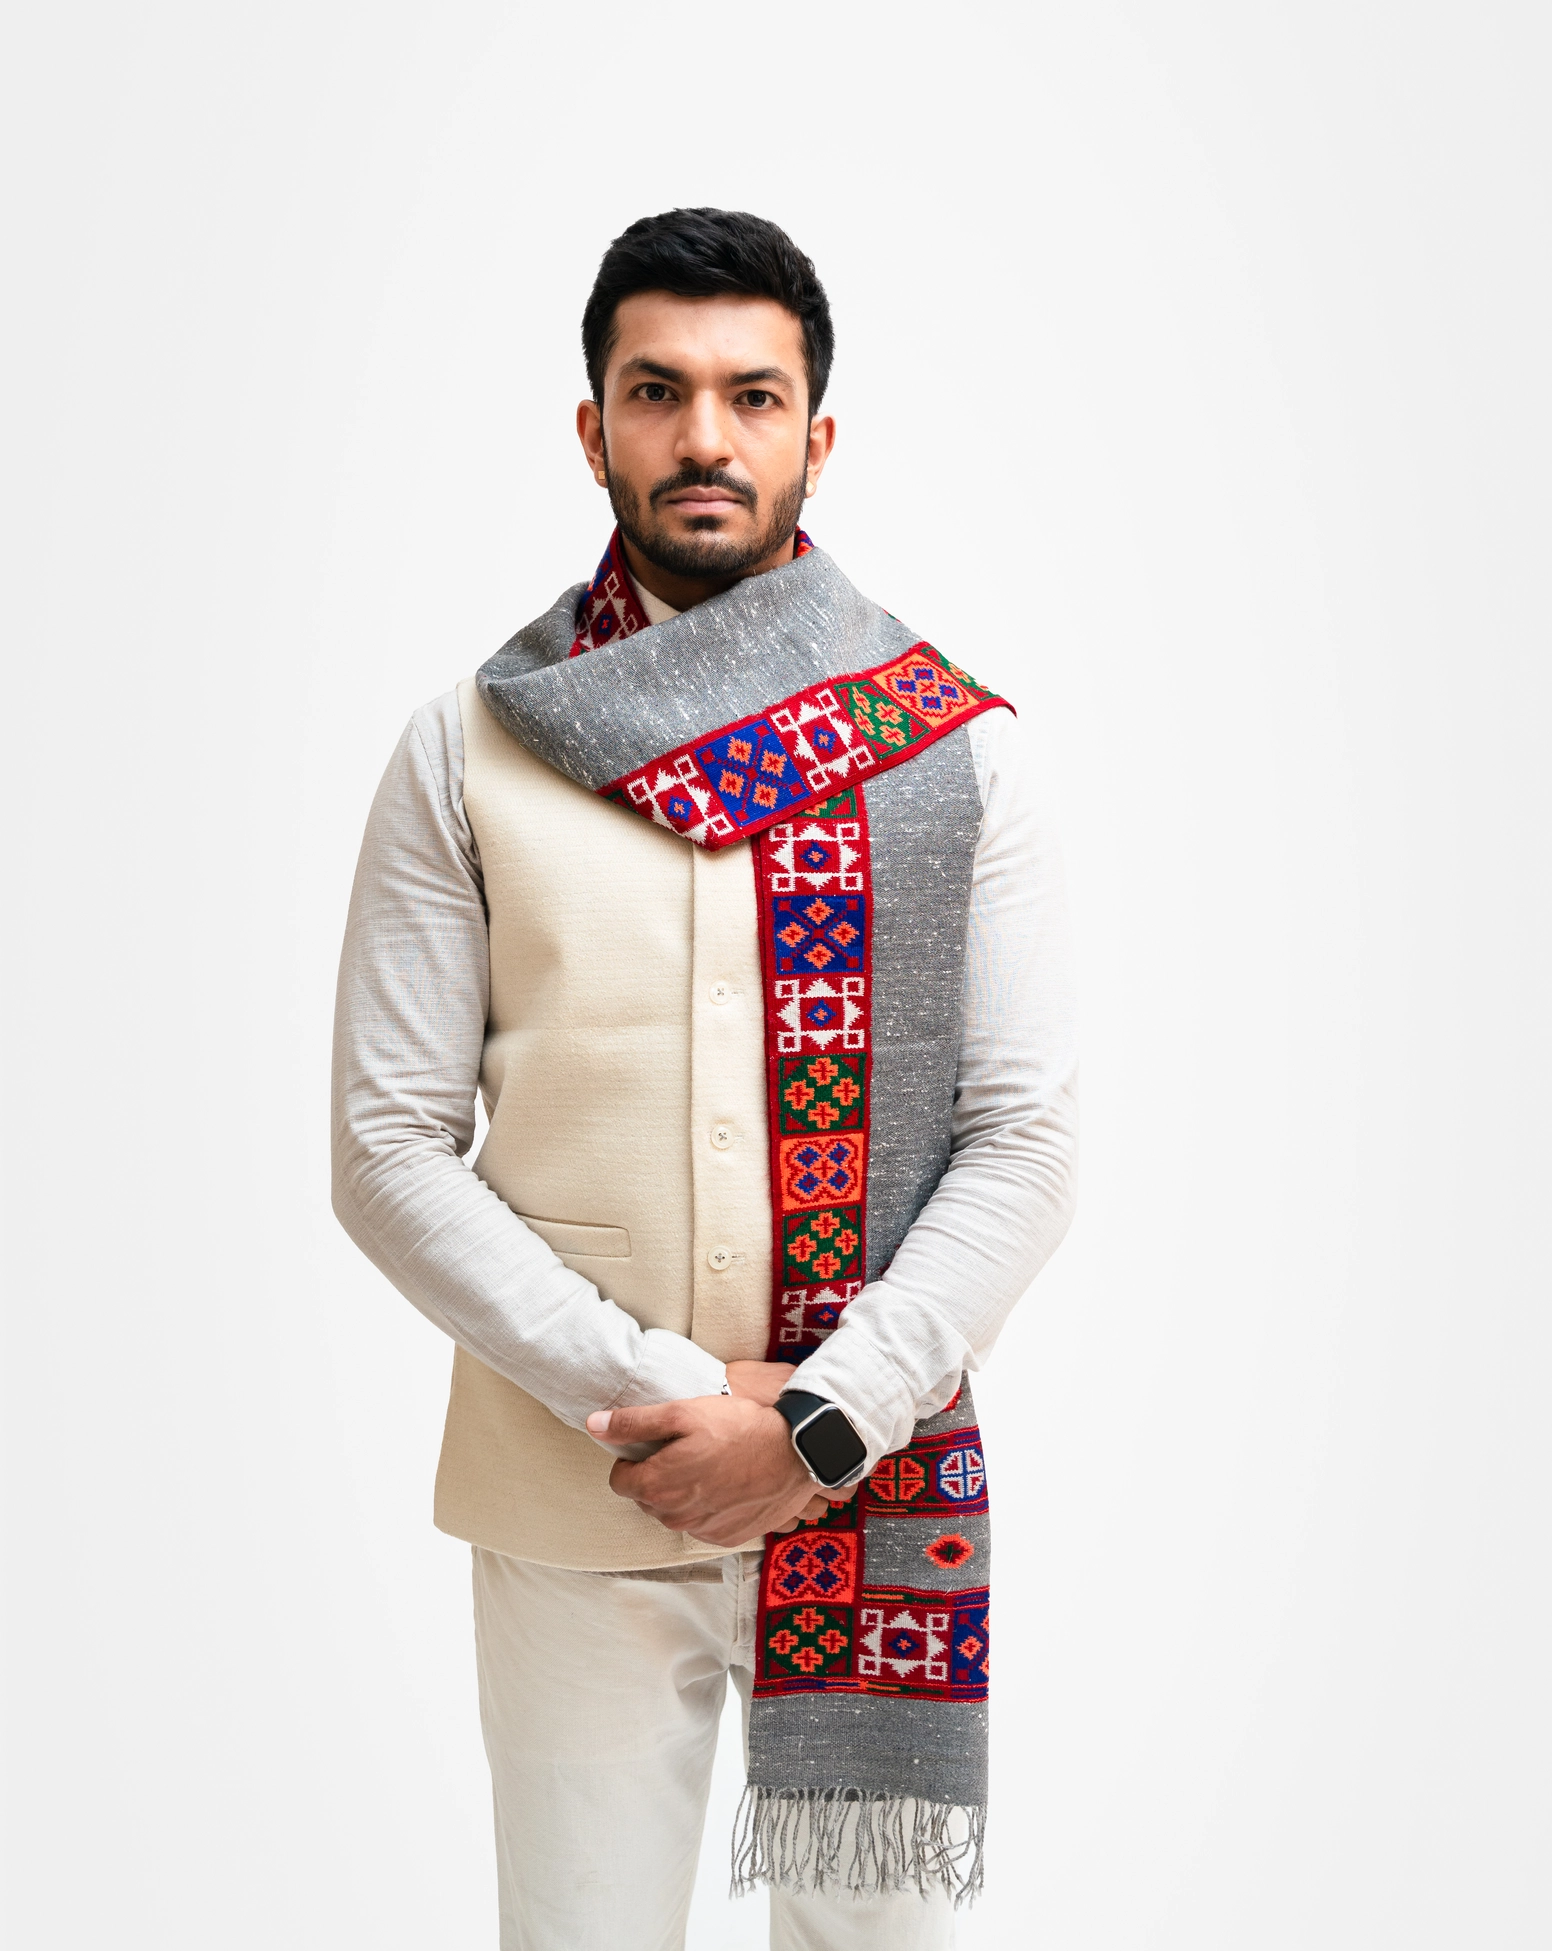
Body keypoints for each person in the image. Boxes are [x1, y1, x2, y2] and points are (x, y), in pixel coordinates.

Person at [332, 206, 1077, 1951]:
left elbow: (1025, 1143)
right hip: (578, 1481)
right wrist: (664, 1400)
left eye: (753, 395)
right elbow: (386, 1145)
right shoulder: (468, 746)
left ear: (819, 433)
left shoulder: (952, 748)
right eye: (657, 391)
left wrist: (814, 1423)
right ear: (593, 428)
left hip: (871, 1482)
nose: (704, 437)